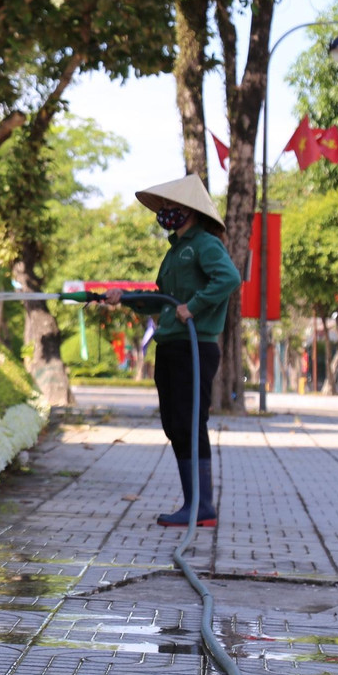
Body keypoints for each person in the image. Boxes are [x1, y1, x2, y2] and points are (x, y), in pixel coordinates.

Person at [105, 175, 240, 527]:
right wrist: (124, 298)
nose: (164, 212)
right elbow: (162, 300)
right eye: (163, 208)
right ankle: (193, 504)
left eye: (171, 207)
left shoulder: (206, 244)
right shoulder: (175, 251)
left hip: (194, 345)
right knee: (175, 424)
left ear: (190, 211)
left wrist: (193, 306)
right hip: (172, 345)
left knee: (190, 422)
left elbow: (228, 278)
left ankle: (203, 507)